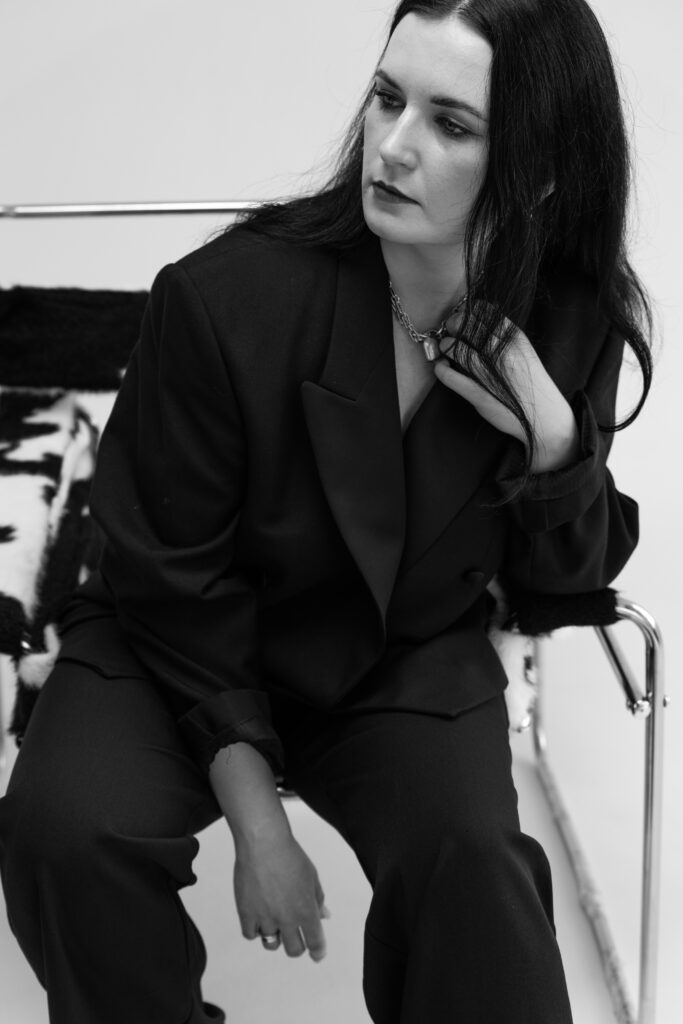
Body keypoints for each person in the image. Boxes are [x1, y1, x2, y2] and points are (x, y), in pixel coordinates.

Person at [0, 0, 653, 1021]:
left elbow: (560, 585)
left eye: (449, 123)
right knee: (64, 829)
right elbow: (169, 578)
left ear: (538, 171)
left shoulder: (566, 319)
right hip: (174, 647)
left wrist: (550, 433)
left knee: (473, 864)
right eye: (388, 99)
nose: (391, 147)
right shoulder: (225, 297)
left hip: (402, 655)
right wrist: (258, 820)